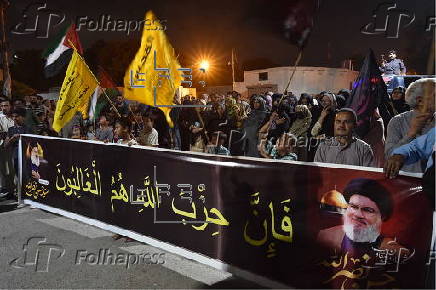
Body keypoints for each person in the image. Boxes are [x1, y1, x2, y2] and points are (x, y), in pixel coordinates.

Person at [317, 178, 408, 256]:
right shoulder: (325, 237)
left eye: (368, 210)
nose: (358, 215)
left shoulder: (394, 251)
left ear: (382, 217)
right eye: (353, 207)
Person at [385, 78, 435, 173]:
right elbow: (389, 156)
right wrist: (411, 134)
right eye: (435, 95)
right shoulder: (397, 122)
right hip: (407, 182)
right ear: (420, 101)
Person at [0, 98, 15, 197]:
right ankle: (6, 189)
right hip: (3, 146)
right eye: (2, 106)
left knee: (13, 169)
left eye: (6, 106)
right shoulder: (0, 117)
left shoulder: (15, 117)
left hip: (14, 147)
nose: (3, 108)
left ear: (10, 106)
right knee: (4, 170)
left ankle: (13, 190)